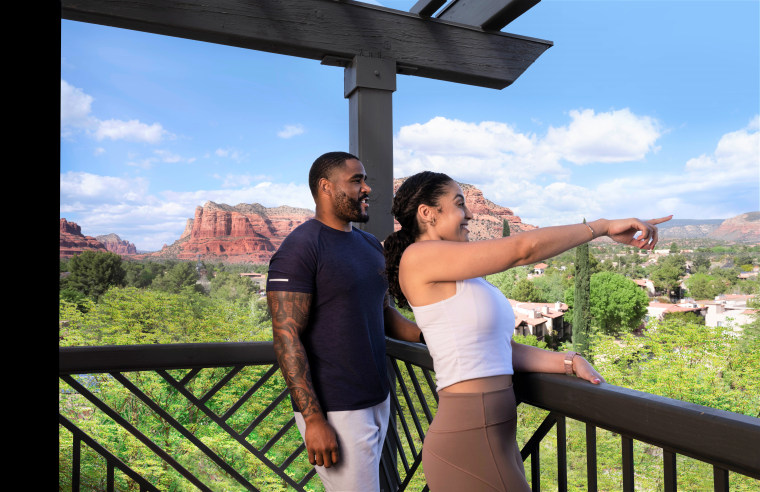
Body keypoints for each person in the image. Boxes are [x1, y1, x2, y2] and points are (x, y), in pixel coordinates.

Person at [383, 171, 671, 491]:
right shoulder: (418, 257)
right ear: (427, 213)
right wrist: (600, 227)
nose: (470, 213)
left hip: (491, 436)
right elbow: (523, 250)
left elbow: (496, 347)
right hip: (470, 438)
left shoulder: (460, 275)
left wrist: (565, 361)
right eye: (459, 204)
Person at [266, 151, 421, 492]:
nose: (367, 188)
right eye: (356, 180)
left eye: (365, 180)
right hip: (336, 411)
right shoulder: (300, 249)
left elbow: (383, 314)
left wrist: (428, 334)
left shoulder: (368, 244)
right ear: (325, 187)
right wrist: (313, 421)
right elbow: (286, 337)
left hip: (378, 397)